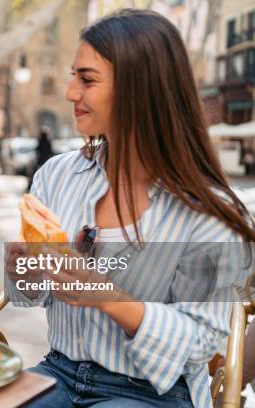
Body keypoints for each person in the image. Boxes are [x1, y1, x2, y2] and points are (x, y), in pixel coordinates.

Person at [17, 9, 255, 408]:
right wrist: (25, 264)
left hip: (153, 392)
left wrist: (106, 295)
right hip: (57, 371)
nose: (71, 92)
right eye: (73, 76)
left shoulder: (211, 213)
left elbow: (200, 344)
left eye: (87, 79)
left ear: (138, 89)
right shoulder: (56, 176)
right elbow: (28, 295)